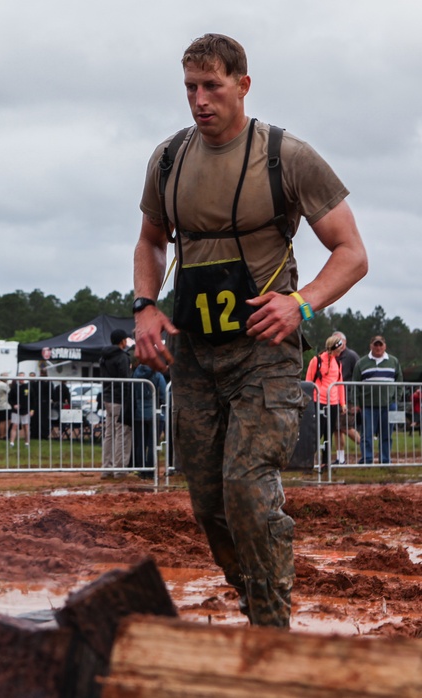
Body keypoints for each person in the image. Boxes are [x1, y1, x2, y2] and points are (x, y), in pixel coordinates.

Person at [132, 34, 368, 628]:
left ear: (243, 84)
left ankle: (271, 625)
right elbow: (151, 242)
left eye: (212, 86)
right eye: (190, 87)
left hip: (264, 353)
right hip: (196, 354)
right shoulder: (168, 160)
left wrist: (301, 304)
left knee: (247, 487)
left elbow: (352, 253)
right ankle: (253, 593)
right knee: (209, 503)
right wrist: (144, 306)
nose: (199, 100)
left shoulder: (286, 157)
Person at [351, 336, 402, 464]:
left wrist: (396, 399)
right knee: (367, 435)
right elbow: (355, 384)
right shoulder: (361, 363)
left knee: (387, 435)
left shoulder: (394, 361)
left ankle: (385, 460)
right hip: (368, 405)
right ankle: (367, 460)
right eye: (376, 345)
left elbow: (400, 381)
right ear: (371, 346)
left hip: (389, 405)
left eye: (380, 345)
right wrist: (356, 403)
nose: (378, 347)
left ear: (385, 346)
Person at [305, 335, 347, 465]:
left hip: (333, 402)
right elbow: (308, 381)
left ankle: (325, 461)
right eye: (339, 348)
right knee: (318, 432)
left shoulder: (338, 363)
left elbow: (339, 384)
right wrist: (309, 400)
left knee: (329, 432)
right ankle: (309, 459)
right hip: (319, 400)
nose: (340, 351)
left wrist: (342, 403)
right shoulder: (316, 360)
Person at [100, 329, 133, 476]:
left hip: (107, 397)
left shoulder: (104, 357)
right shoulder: (122, 357)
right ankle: (119, 469)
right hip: (119, 398)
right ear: (122, 341)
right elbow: (125, 380)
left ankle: (106, 468)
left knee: (109, 433)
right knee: (122, 433)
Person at [130, 359, 167, 476]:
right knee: (153, 445)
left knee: (140, 444)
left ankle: (141, 470)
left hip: (139, 414)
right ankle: (151, 471)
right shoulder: (157, 374)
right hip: (155, 414)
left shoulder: (135, 374)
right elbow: (164, 394)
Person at [331, 331, 362, 458]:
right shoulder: (331, 356)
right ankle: (340, 458)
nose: (337, 344)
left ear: (345, 342)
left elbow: (360, 376)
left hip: (348, 397)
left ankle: (365, 446)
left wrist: (357, 400)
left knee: (346, 427)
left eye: (339, 341)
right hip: (334, 397)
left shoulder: (352, 356)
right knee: (336, 429)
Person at [7, 373, 32, 446]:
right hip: (16, 411)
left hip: (25, 410)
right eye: (20, 377)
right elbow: (10, 398)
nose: (21, 379)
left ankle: (27, 442)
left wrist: (32, 410)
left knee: (26, 426)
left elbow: (33, 399)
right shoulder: (14, 388)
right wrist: (13, 405)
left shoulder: (28, 387)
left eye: (23, 377)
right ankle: (12, 442)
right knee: (14, 425)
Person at [0, 374, 12, 440]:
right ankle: (2, 435)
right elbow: (10, 392)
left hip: (2, 404)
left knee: (6, 421)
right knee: (4, 421)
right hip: (4, 405)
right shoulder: (3, 385)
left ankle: (4, 435)